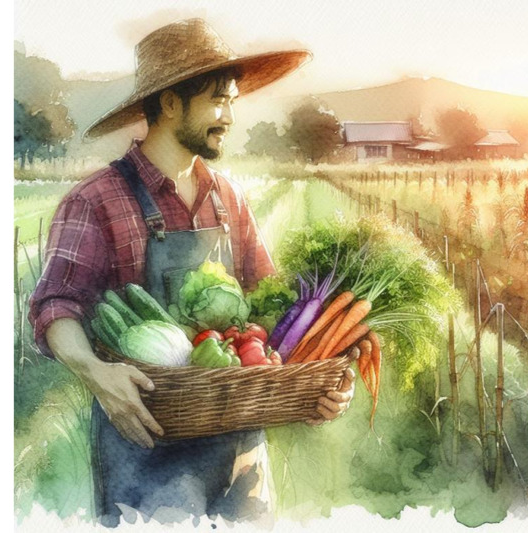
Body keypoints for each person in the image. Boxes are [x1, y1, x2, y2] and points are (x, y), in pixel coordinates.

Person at [28, 18, 356, 528]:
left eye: (231, 101)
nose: (228, 116)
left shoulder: (229, 199)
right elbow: (56, 307)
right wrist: (98, 375)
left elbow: (270, 310)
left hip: (243, 461)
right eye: (217, 100)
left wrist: (313, 384)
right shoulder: (94, 202)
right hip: (145, 455)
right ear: (171, 102)